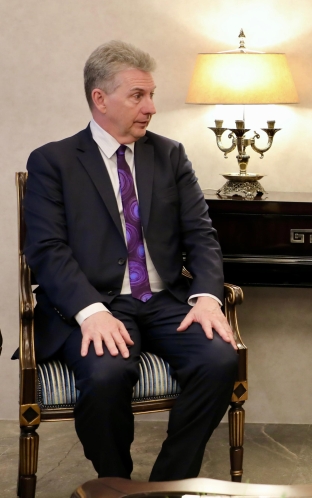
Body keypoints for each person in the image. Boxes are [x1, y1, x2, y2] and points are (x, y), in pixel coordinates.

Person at [24, 41, 239, 481]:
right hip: (96, 302)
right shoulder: (53, 161)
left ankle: (167, 484)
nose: (151, 107)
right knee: (106, 374)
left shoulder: (170, 154)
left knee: (219, 361)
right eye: (138, 96)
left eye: (152, 95)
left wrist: (206, 297)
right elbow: (46, 249)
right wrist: (91, 312)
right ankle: (116, 484)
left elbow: (201, 234)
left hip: (165, 300)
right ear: (100, 99)